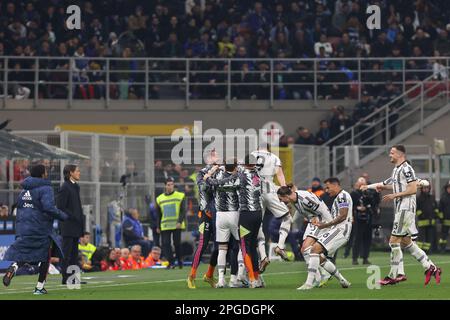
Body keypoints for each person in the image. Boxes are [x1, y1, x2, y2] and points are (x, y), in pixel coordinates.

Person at [362, 145, 441, 285]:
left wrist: (395, 195)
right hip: (401, 209)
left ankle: (397, 274)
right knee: (406, 242)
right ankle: (430, 267)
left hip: (405, 208)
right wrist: (368, 186)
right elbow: (386, 184)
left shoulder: (406, 168)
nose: (389, 155)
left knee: (393, 241)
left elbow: (411, 189)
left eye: (392, 153)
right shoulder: (396, 170)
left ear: (400, 154)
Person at [2, 164, 68, 295]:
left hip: (24, 227)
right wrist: (63, 216)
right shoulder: (45, 188)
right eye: (45, 171)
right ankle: (39, 288)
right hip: (40, 227)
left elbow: (21, 210)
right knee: (45, 257)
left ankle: (14, 267)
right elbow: (48, 207)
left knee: (26, 253)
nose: (47, 173)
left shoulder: (24, 190)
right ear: (42, 174)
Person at [297, 177, 352, 290]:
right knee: (318, 255)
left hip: (341, 230)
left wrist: (325, 225)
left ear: (335, 185)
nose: (326, 190)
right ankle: (342, 280)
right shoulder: (340, 196)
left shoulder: (342, 196)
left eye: (328, 187)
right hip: (337, 229)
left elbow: (343, 216)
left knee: (313, 250)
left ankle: (309, 283)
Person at [277, 184, 334, 288]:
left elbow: (320, 210)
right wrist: (292, 221)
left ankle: (317, 278)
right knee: (306, 250)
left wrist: (325, 224)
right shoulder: (295, 199)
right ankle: (321, 275)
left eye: (281, 199)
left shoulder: (304, 198)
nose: (281, 201)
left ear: (286, 196)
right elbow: (301, 212)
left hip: (322, 222)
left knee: (306, 248)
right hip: (313, 222)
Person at [203, 160, 243, 288]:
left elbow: (206, 178)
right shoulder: (237, 177)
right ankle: (234, 279)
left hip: (220, 215)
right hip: (234, 214)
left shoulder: (217, 177)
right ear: (235, 167)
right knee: (238, 246)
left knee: (222, 248)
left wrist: (214, 169)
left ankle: (221, 279)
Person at [251, 144, 291, 270]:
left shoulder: (252, 154)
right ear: (268, 149)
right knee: (287, 218)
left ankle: (263, 257)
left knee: (258, 225)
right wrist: (284, 188)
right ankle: (280, 246)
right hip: (270, 191)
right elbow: (279, 174)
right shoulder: (274, 157)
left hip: (255, 193)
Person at [187, 154, 219, 289]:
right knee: (203, 244)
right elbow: (203, 187)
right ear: (208, 160)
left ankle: (209, 275)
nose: (217, 157)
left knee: (220, 246)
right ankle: (191, 276)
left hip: (219, 214)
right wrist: (211, 173)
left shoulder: (222, 172)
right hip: (206, 214)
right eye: (213, 155)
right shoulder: (201, 173)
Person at [56, 164, 85, 285]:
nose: (79, 173)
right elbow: (60, 206)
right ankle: (65, 278)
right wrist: (73, 216)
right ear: (70, 173)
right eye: (77, 171)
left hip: (76, 225)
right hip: (68, 225)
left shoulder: (75, 186)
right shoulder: (65, 187)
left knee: (74, 254)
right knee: (66, 253)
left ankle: (74, 278)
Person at [156, 177, 186, 269]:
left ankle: (180, 261)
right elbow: (158, 214)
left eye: (172, 184)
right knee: (165, 244)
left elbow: (183, 210)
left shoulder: (180, 195)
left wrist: (179, 222)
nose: (170, 186)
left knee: (177, 243)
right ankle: (171, 262)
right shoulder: (159, 198)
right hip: (165, 225)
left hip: (177, 224)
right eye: (168, 184)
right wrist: (158, 226)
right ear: (165, 186)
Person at [350, 177, 379, 265]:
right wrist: (356, 208)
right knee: (357, 239)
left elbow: (375, 204)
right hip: (358, 218)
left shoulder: (369, 193)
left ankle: (365, 257)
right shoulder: (354, 194)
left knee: (367, 238)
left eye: (363, 184)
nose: (361, 186)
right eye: (360, 184)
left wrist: (375, 194)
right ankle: (355, 258)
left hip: (368, 217)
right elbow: (350, 205)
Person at [416, 181, 439, 253]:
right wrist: (421, 215)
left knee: (429, 238)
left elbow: (436, 208)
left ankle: (427, 251)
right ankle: (419, 252)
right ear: (421, 189)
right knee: (421, 238)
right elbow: (417, 209)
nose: (426, 189)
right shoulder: (419, 198)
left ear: (429, 189)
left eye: (427, 188)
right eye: (424, 188)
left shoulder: (432, 198)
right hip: (422, 222)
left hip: (431, 221)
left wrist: (436, 214)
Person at [438, 180, 450, 252]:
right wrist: (441, 218)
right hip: (445, 221)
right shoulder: (443, 197)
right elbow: (440, 209)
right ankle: (442, 248)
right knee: (443, 236)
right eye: (449, 188)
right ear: (446, 188)